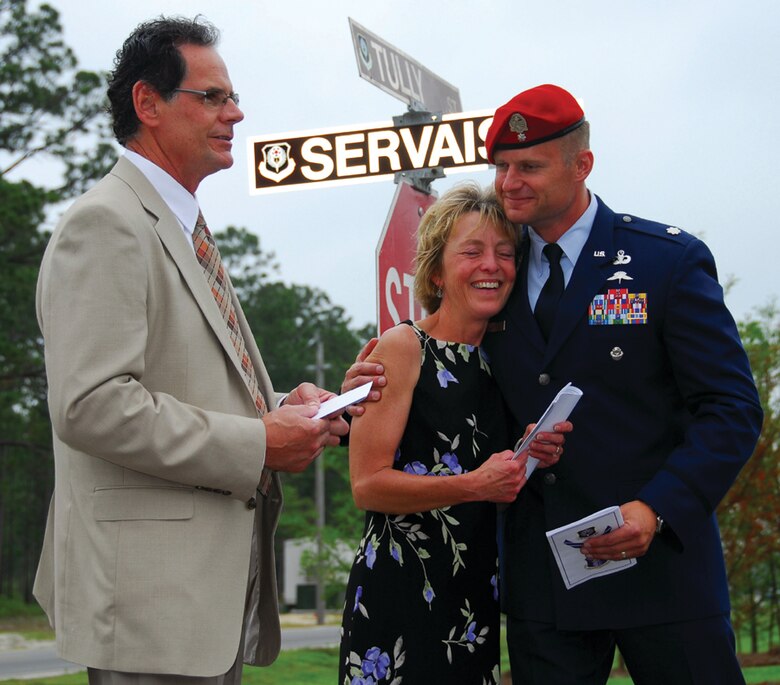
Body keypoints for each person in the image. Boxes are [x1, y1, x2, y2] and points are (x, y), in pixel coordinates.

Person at [33, 16, 347, 685]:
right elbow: (91, 405)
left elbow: (193, 383)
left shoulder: (180, 224)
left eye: (230, 97)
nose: (235, 112)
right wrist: (259, 442)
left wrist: (281, 407)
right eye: (212, 96)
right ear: (148, 104)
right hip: (150, 606)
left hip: (196, 599)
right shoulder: (106, 223)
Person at [480, 84, 764, 684]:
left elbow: (731, 407)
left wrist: (658, 508)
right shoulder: (488, 271)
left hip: (664, 575)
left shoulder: (666, 262)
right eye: (501, 167)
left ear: (582, 163)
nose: (510, 183)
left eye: (529, 166)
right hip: (546, 584)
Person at [338, 182, 570, 685]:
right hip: (399, 591)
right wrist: (474, 485)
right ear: (437, 271)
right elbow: (367, 486)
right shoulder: (402, 347)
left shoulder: (507, 359)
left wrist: (531, 455)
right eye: (472, 251)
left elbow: (498, 481)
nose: (492, 265)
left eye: (505, 254)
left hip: (473, 594)